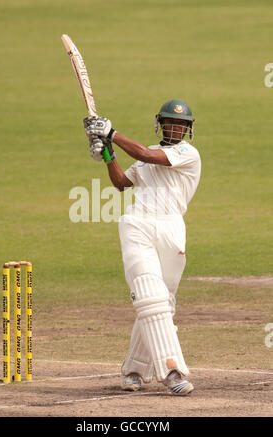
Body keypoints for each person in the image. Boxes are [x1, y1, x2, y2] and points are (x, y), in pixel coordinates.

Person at [84, 99, 201, 396]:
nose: (176, 128)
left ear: (188, 129)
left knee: (162, 304)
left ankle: (134, 369)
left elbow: (148, 155)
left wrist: (112, 134)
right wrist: (108, 153)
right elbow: (122, 182)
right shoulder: (144, 156)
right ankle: (172, 372)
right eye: (171, 123)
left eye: (182, 124)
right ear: (160, 123)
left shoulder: (187, 153)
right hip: (137, 224)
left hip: (172, 229)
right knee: (149, 294)